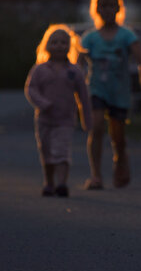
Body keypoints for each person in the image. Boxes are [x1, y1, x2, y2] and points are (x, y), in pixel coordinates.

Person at [79, 0, 141, 190]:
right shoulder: (90, 38)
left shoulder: (126, 36)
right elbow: (77, 64)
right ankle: (95, 176)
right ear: (96, 9)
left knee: (117, 135)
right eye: (103, 5)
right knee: (96, 126)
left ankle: (120, 160)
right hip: (96, 89)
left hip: (119, 92)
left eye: (112, 5)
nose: (108, 9)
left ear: (119, 8)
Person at [24, 24, 92, 197]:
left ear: (70, 46)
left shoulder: (75, 71)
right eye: (55, 42)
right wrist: (42, 103)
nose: (59, 45)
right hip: (45, 120)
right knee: (46, 152)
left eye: (63, 42)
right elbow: (30, 89)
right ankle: (49, 182)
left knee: (61, 152)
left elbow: (83, 96)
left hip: (66, 120)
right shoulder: (39, 70)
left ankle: (62, 184)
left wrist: (86, 118)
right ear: (46, 45)